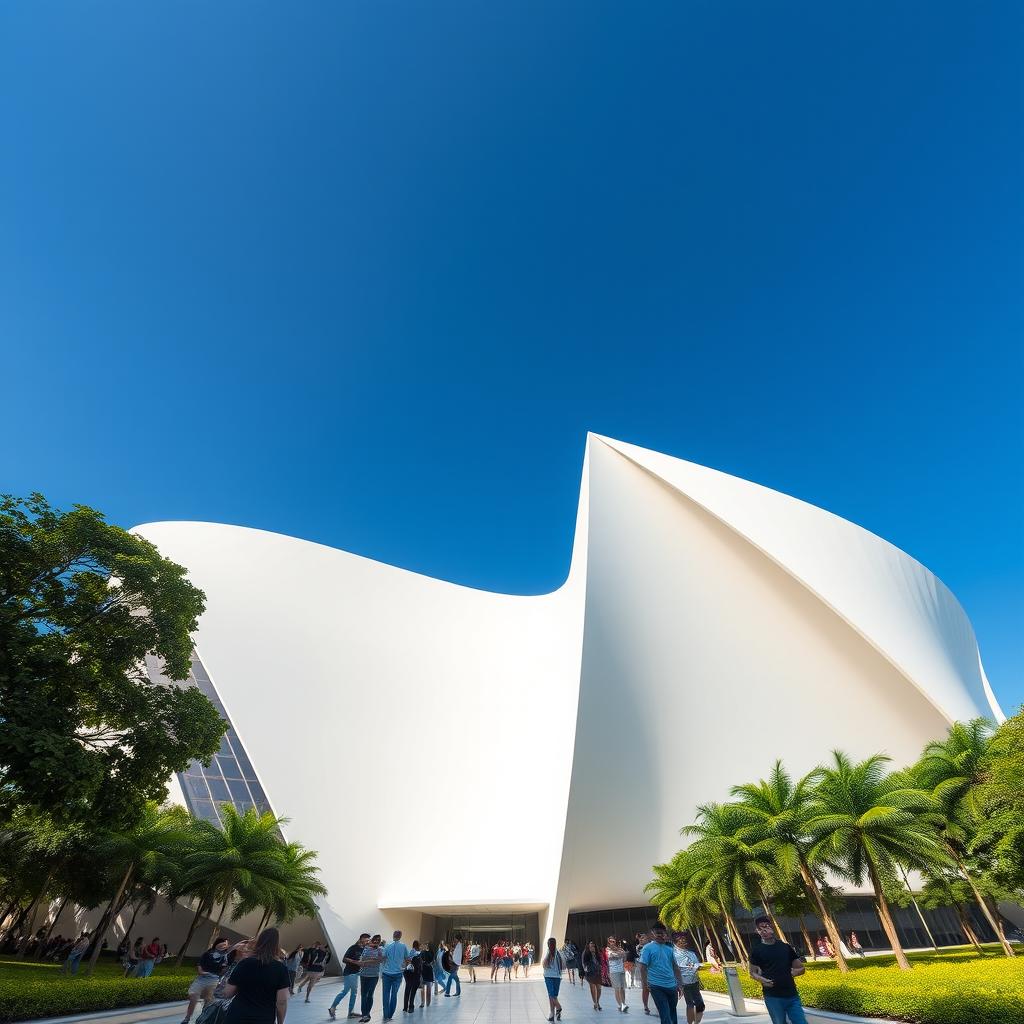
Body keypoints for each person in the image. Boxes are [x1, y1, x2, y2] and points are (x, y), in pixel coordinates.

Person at [222, 927, 290, 1024]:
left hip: (237, 1017)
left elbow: (227, 993)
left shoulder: (244, 963)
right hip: (263, 1019)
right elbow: (282, 1001)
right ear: (277, 945)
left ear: (259, 942)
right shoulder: (281, 969)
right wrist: (280, 1022)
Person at [748, 916, 807, 1024]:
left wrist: (794, 973)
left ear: (772, 927)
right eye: (760, 929)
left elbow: (801, 968)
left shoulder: (785, 947)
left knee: (801, 1022)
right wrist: (762, 980)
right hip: (772, 997)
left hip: (792, 995)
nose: (763, 931)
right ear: (757, 931)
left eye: (766, 927)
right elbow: (752, 973)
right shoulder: (756, 951)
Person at [638, 924, 683, 1024]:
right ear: (653, 934)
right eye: (657, 933)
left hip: (672, 986)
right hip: (656, 986)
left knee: (672, 1013)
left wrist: (680, 984)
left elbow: (675, 968)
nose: (660, 935)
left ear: (666, 935)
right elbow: (642, 967)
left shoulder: (669, 949)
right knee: (665, 1013)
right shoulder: (647, 948)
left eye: (662, 933)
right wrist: (645, 984)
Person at [182, 937, 230, 1024]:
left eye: (226, 945)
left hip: (213, 980)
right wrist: (201, 971)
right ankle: (187, 1018)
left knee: (208, 1001)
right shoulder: (208, 953)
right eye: (223, 943)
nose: (224, 946)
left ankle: (203, 1019)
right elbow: (200, 963)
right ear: (217, 943)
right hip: (202, 978)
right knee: (193, 995)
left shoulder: (225, 956)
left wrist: (223, 971)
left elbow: (223, 970)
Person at [329, 934, 368, 1020]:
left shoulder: (364, 949)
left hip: (356, 973)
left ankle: (339, 1009)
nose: (367, 941)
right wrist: (356, 962)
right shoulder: (353, 947)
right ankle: (343, 1010)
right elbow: (344, 959)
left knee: (348, 991)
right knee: (350, 992)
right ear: (361, 939)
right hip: (350, 973)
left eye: (368, 940)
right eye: (366, 939)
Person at [671, 933, 703, 1024]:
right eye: (681, 939)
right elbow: (675, 968)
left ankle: (696, 1023)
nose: (684, 941)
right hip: (684, 982)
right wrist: (678, 984)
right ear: (675, 941)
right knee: (690, 1004)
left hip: (694, 981)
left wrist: (696, 967)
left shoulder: (691, 953)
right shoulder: (672, 954)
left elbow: (696, 965)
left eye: (684, 939)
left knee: (700, 1004)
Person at [381, 929, 411, 1021]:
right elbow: (408, 959)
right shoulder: (403, 946)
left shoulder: (387, 945)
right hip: (398, 973)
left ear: (393, 935)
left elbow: (383, 958)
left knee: (385, 994)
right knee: (394, 994)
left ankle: (385, 1015)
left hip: (386, 973)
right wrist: (404, 967)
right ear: (400, 936)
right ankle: (390, 1015)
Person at [358, 934, 384, 1023]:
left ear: (380, 941)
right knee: (363, 995)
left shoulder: (381, 949)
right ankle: (364, 1014)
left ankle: (367, 1013)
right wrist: (371, 960)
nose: (376, 941)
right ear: (372, 940)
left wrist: (366, 961)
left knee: (370, 995)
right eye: (375, 939)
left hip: (374, 976)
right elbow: (361, 961)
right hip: (363, 975)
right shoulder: (365, 948)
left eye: (378, 940)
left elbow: (380, 960)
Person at [542, 937, 564, 1022]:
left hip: (554, 976)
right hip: (551, 976)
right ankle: (553, 1012)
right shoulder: (550, 952)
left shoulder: (557, 953)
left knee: (552, 995)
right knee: (552, 995)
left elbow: (544, 965)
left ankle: (557, 1009)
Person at [606, 936, 629, 1012]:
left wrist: (619, 954)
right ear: (608, 942)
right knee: (617, 988)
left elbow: (625, 957)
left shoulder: (620, 949)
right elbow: (611, 956)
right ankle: (620, 1005)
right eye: (611, 941)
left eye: (613, 941)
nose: (612, 942)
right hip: (613, 971)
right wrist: (620, 954)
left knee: (622, 988)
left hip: (621, 970)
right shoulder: (607, 949)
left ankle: (624, 1003)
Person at [581, 940, 603, 1010]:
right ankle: (595, 1003)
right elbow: (583, 963)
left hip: (598, 973)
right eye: (590, 946)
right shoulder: (585, 953)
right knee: (592, 988)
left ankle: (597, 1001)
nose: (592, 947)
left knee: (599, 989)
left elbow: (601, 961)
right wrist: (583, 971)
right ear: (588, 946)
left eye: (593, 946)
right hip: (590, 973)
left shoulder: (598, 953)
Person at [402, 940, 423, 1013]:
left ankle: (405, 1007)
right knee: (413, 991)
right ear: (418, 946)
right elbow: (420, 966)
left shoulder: (410, 952)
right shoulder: (419, 954)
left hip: (408, 973)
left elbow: (407, 961)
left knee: (407, 990)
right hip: (415, 974)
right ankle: (411, 1007)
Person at [420, 943, 435, 1007]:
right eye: (425, 944)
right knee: (423, 989)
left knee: (428, 989)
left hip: (428, 971)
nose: (425, 946)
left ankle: (427, 1003)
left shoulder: (431, 953)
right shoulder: (422, 952)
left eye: (427, 945)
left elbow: (433, 961)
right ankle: (423, 1003)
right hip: (424, 971)